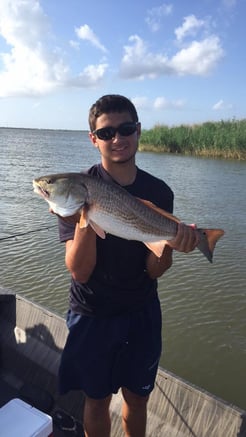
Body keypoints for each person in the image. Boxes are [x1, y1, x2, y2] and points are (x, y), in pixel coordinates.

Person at [57, 94, 199, 437]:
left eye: (125, 129)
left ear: (138, 131)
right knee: (96, 401)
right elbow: (79, 271)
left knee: (137, 401)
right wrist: (84, 218)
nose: (117, 139)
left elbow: (154, 269)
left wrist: (170, 245)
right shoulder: (76, 188)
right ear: (94, 140)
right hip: (92, 312)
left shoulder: (159, 191)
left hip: (141, 312)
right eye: (106, 133)